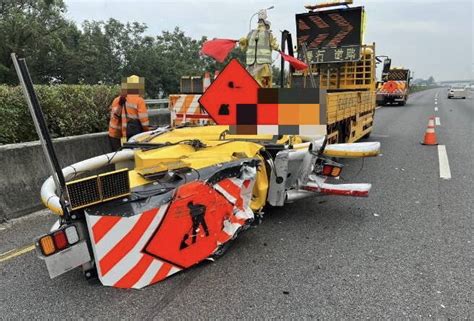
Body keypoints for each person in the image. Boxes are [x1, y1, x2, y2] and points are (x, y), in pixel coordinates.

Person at [108, 75, 149, 151]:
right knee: (130, 158)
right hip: (130, 134)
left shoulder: (117, 99)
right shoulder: (139, 100)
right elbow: (144, 121)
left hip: (114, 133)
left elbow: (114, 116)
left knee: (117, 159)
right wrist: (147, 131)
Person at [239, 9, 279, 88]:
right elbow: (275, 46)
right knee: (263, 87)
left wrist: (242, 41)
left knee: (251, 86)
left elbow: (243, 46)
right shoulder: (268, 34)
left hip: (251, 66)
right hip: (263, 66)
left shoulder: (250, 34)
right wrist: (280, 50)